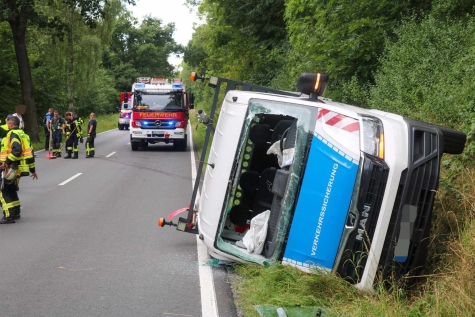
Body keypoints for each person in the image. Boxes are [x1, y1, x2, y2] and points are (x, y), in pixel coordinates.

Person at [0, 116, 38, 224]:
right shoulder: (24, 135)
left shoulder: (13, 134)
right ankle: (16, 212)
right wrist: (32, 169)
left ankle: (9, 215)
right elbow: (29, 153)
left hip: (11, 167)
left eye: (7, 124)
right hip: (19, 167)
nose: (6, 126)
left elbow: (17, 150)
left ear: (11, 124)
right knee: (11, 189)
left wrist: (6, 162)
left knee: (2, 191)